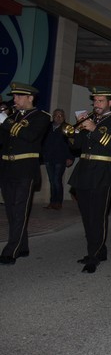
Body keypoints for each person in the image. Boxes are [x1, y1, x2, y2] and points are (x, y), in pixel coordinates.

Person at [67, 86, 111, 274]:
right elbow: (76, 147)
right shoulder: (88, 121)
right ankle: (98, 250)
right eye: (95, 101)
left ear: (110, 103)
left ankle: (93, 256)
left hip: (102, 172)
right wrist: (76, 131)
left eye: (101, 101)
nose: (97, 104)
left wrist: (94, 130)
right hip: (83, 172)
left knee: (98, 216)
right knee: (86, 216)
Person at [0, 83, 50, 265]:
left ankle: (10, 250)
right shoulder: (11, 116)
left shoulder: (41, 117)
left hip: (25, 169)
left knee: (20, 209)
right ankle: (23, 246)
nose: (15, 100)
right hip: (6, 167)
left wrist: (6, 121)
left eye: (19, 96)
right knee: (12, 210)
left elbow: (30, 136)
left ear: (30, 98)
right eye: (14, 97)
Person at [42, 109, 75, 210]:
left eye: (61, 115)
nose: (58, 117)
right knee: (52, 181)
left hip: (60, 158)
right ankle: (52, 202)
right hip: (48, 157)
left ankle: (58, 202)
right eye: (56, 115)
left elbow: (72, 144)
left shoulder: (68, 128)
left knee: (57, 180)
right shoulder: (47, 127)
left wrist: (70, 157)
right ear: (53, 116)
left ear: (64, 117)